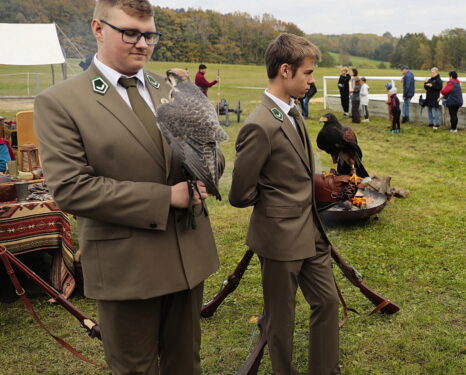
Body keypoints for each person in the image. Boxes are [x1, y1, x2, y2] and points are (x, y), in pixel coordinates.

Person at [34, 1, 222, 373]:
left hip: (187, 256)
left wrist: (206, 170)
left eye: (150, 34)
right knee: (135, 368)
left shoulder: (169, 90)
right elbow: (71, 188)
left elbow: (202, 151)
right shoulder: (61, 102)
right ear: (98, 29)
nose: (143, 44)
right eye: (130, 33)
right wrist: (167, 197)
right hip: (127, 265)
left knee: (186, 363)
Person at [229, 33, 340, 375]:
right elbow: (240, 194)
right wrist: (279, 202)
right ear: (285, 70)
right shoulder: (259, 125)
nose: (312, 80)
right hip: (279, 239)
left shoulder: (292, 112)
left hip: (312, 233)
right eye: (308, 73)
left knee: (328, 302)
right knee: (281, 317)